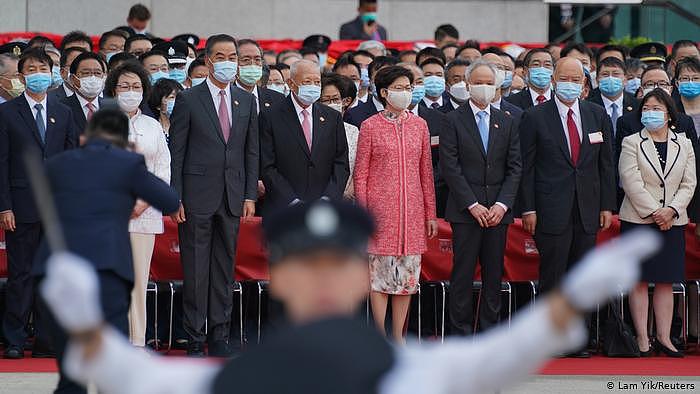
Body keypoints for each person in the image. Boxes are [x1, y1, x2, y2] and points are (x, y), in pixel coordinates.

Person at [38, 200, 661, 394]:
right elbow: (134, 375)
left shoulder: (414, 371)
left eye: (338, 264)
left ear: (363, 275)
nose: (323, 278)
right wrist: (84, 325)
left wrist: (573, 301)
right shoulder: (229, 382)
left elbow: (501, 355)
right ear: (278, 279)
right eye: (306, 266)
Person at [33, 106, 178, 393]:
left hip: (56, 269)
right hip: (106, 269)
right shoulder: (127, 163)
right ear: (124, 139)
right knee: (111, 371)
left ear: (85, 135)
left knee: (70, 374)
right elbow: (170, 201)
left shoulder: (57, 163)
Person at [169, 34, 259, 357]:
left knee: (225, 268)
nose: (228, 62)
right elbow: (176, 152)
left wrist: (250, 194)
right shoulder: (189, 99)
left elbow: (251, 152)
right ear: (208, 61)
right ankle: (194, 335)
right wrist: (175, 196)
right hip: (195, 197)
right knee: (195, 269)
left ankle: (219, 334)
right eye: (221, 56)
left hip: (233, 196)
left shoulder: (246, 100)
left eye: (232, 56)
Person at [520, 57, 616, 357]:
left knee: (582, 277)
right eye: (565, 78)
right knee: (554, 276)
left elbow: (605, 165)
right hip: (550, 210)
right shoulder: (535, 117)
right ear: (553, 78)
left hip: (587, 210)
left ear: (585, 84)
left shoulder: (596, 114)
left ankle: (576, 338)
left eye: (577, 80)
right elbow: (527, 168)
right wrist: (528, 208)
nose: (570, 84)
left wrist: (606, 206)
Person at [0, 48, 77, 360]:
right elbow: (1, 163)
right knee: (21, 275)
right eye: (31, 69)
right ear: (21, 77)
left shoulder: (64, 111)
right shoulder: (6, 113)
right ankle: (15, 339)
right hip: (20, 207)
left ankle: (46, 340)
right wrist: (4, 206)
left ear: (52, 71)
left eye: (43, 67)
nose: (38, 73)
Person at [353, 65, 437, 343]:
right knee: (380, 278)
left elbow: (426, 172)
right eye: (399, 88)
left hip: (412, 212)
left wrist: (430, 213)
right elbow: (361, 173)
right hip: (380, 213)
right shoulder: (370, 126)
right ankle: (379, 335)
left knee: (407, 280)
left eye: (409, 88)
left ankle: (398, 335)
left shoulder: (420, 125)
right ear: (384, 92)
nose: (406, 93)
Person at [441, 60, 521, 335]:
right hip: (465, 212)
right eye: (478, 82)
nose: (484, 88)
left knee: (493, 274)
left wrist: (501, 205)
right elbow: (450, 167)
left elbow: (515, 167)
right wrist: (473, 205)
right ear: (467, 84)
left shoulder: (507, 121)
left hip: (499, 212)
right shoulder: (452, 120)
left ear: (497, 85)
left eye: (489, 83)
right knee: (462, 274)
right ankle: (460, 333)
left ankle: (490, 332)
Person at [619, 89, 696, 358]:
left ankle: (664, 337)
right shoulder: (631, 142)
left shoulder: (683, 142)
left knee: (666, 281)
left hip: (673, 222)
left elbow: (690, 182)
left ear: (669, 114)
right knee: (638, 281)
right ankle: (642, 337)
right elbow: (630, 181)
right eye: (647, 108)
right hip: (639, 220)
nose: (651, 113)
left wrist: (672, 210)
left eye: (657, 108)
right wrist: (655, 212)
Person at [102, 62, 172, 350]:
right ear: (113, 89)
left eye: (136, 87)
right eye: (124, 86)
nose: (130, 92)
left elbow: (162, 168)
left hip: (144, 214)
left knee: (138, 281)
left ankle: (137, 340)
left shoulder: (152, 125)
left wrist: (144, 200)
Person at [260, 59, 349, 212]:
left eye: (317, 82)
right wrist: (291, 200)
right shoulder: (270, 116)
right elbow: (267, 166)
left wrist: (328, 197)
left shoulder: (332, 117)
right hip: (283, 208)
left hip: (324, 209)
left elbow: (341, 163)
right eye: (307, 81)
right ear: (291, 83)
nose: (313, 86)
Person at [399, 62, 450, 218]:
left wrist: (423, 185)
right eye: (409, 83)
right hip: (395, 194)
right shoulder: (379, 121)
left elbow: (446, 160)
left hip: (434, 194)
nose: (414, 87)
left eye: (419, 82)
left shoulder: (440, 119)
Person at [321, 73, 359, 199]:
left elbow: (359, 167)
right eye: (326, 100)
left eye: (336, 99)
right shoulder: (311, 130)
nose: (332, 103)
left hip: (347, 197)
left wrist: (349, 191)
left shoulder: (353, 131)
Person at [344, 55, 399, 128]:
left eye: (389, 78)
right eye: (378, 78)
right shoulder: (354, 115)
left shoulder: (407, 114)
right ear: (370, 81)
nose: (384, 83)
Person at [235, 39, 285, 114]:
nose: (252, 64)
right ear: (235, 62)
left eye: (257, 59)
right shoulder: (226, 97)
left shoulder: (277, 98)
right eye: (246, 60)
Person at [61, 52, 106, 134]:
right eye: (86, 73)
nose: (93, 78)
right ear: (73, 78)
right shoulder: (61, 107)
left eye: (97, 73)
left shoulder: (113, 108)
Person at [481, 52, 523, 121]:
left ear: (505, 73)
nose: (495, 71)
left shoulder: (517, 113)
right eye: (489, 66)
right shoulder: (461, 110)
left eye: (499, 67)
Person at [148, 78, 182, 143]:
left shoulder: (187, 127)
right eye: (172, 97)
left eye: (180, 97)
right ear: (158, 105)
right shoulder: (151, 128)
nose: (177, 100)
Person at [676, 58, 700, 134]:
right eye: (685, 78)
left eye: (696, 78)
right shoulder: (672, 111)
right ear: (677, 83)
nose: (690, 82)